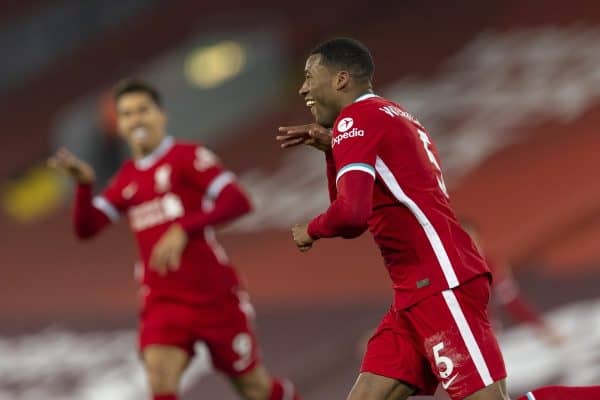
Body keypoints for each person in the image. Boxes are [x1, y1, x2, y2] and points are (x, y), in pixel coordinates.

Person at [276, 37, 600, 400]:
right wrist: (333, 149)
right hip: (414, 293)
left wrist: (311, 229)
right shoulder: (391, 115)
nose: (303, 88)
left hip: (439, 283)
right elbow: (362, 206)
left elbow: (351, 215)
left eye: (309, 76)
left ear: (340, 79)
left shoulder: (357, 119)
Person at [50, 79, 301, 400]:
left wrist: (184, 227)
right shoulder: (126, 178)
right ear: (120, 126)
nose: (136, 119)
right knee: (160, 378)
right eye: (127, 114)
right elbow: (87, 228)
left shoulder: (187, 157)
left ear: (161, 115)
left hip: (214, 297)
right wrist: (84, 186)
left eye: (143, 110)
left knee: (255, 389)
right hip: (163, 300)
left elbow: (237, 200)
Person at [461, 220, 564, 345]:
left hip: (483, 338)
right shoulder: (447, 270)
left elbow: (512, 301)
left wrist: (540, 327)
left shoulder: (491, 267)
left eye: (471, 239)